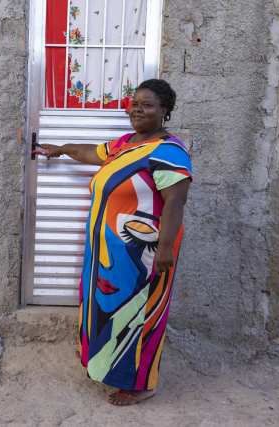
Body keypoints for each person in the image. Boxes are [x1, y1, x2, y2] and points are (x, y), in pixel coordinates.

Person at [35, 79, 192, 405]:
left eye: (147, 104)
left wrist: (164, 249)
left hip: (143, 252)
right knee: (107, 309)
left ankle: (141, 384)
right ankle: (108, 368)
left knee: (139, 315)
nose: (137, 109)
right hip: (108, 249)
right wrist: (61, 149)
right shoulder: (126, 144)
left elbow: (175, 202)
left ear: (164, 111)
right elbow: (92, 153)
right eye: (134, 103)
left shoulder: (169, 151)